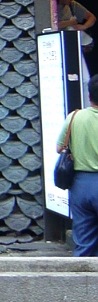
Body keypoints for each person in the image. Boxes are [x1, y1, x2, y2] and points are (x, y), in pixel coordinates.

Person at [57, 75, 98, 255]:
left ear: (89, 96)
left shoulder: (74, 117)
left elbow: (60, 148)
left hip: (81, 185)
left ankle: (80, 280)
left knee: (83, 242)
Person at [58, 0, 96, 83]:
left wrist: (84, 26)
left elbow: (92, 17)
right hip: (59, 43)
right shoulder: (52, 6)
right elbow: (51, 25)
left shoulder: (73, 5)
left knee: (83, 75)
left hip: (73, 43)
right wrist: (69, 22)